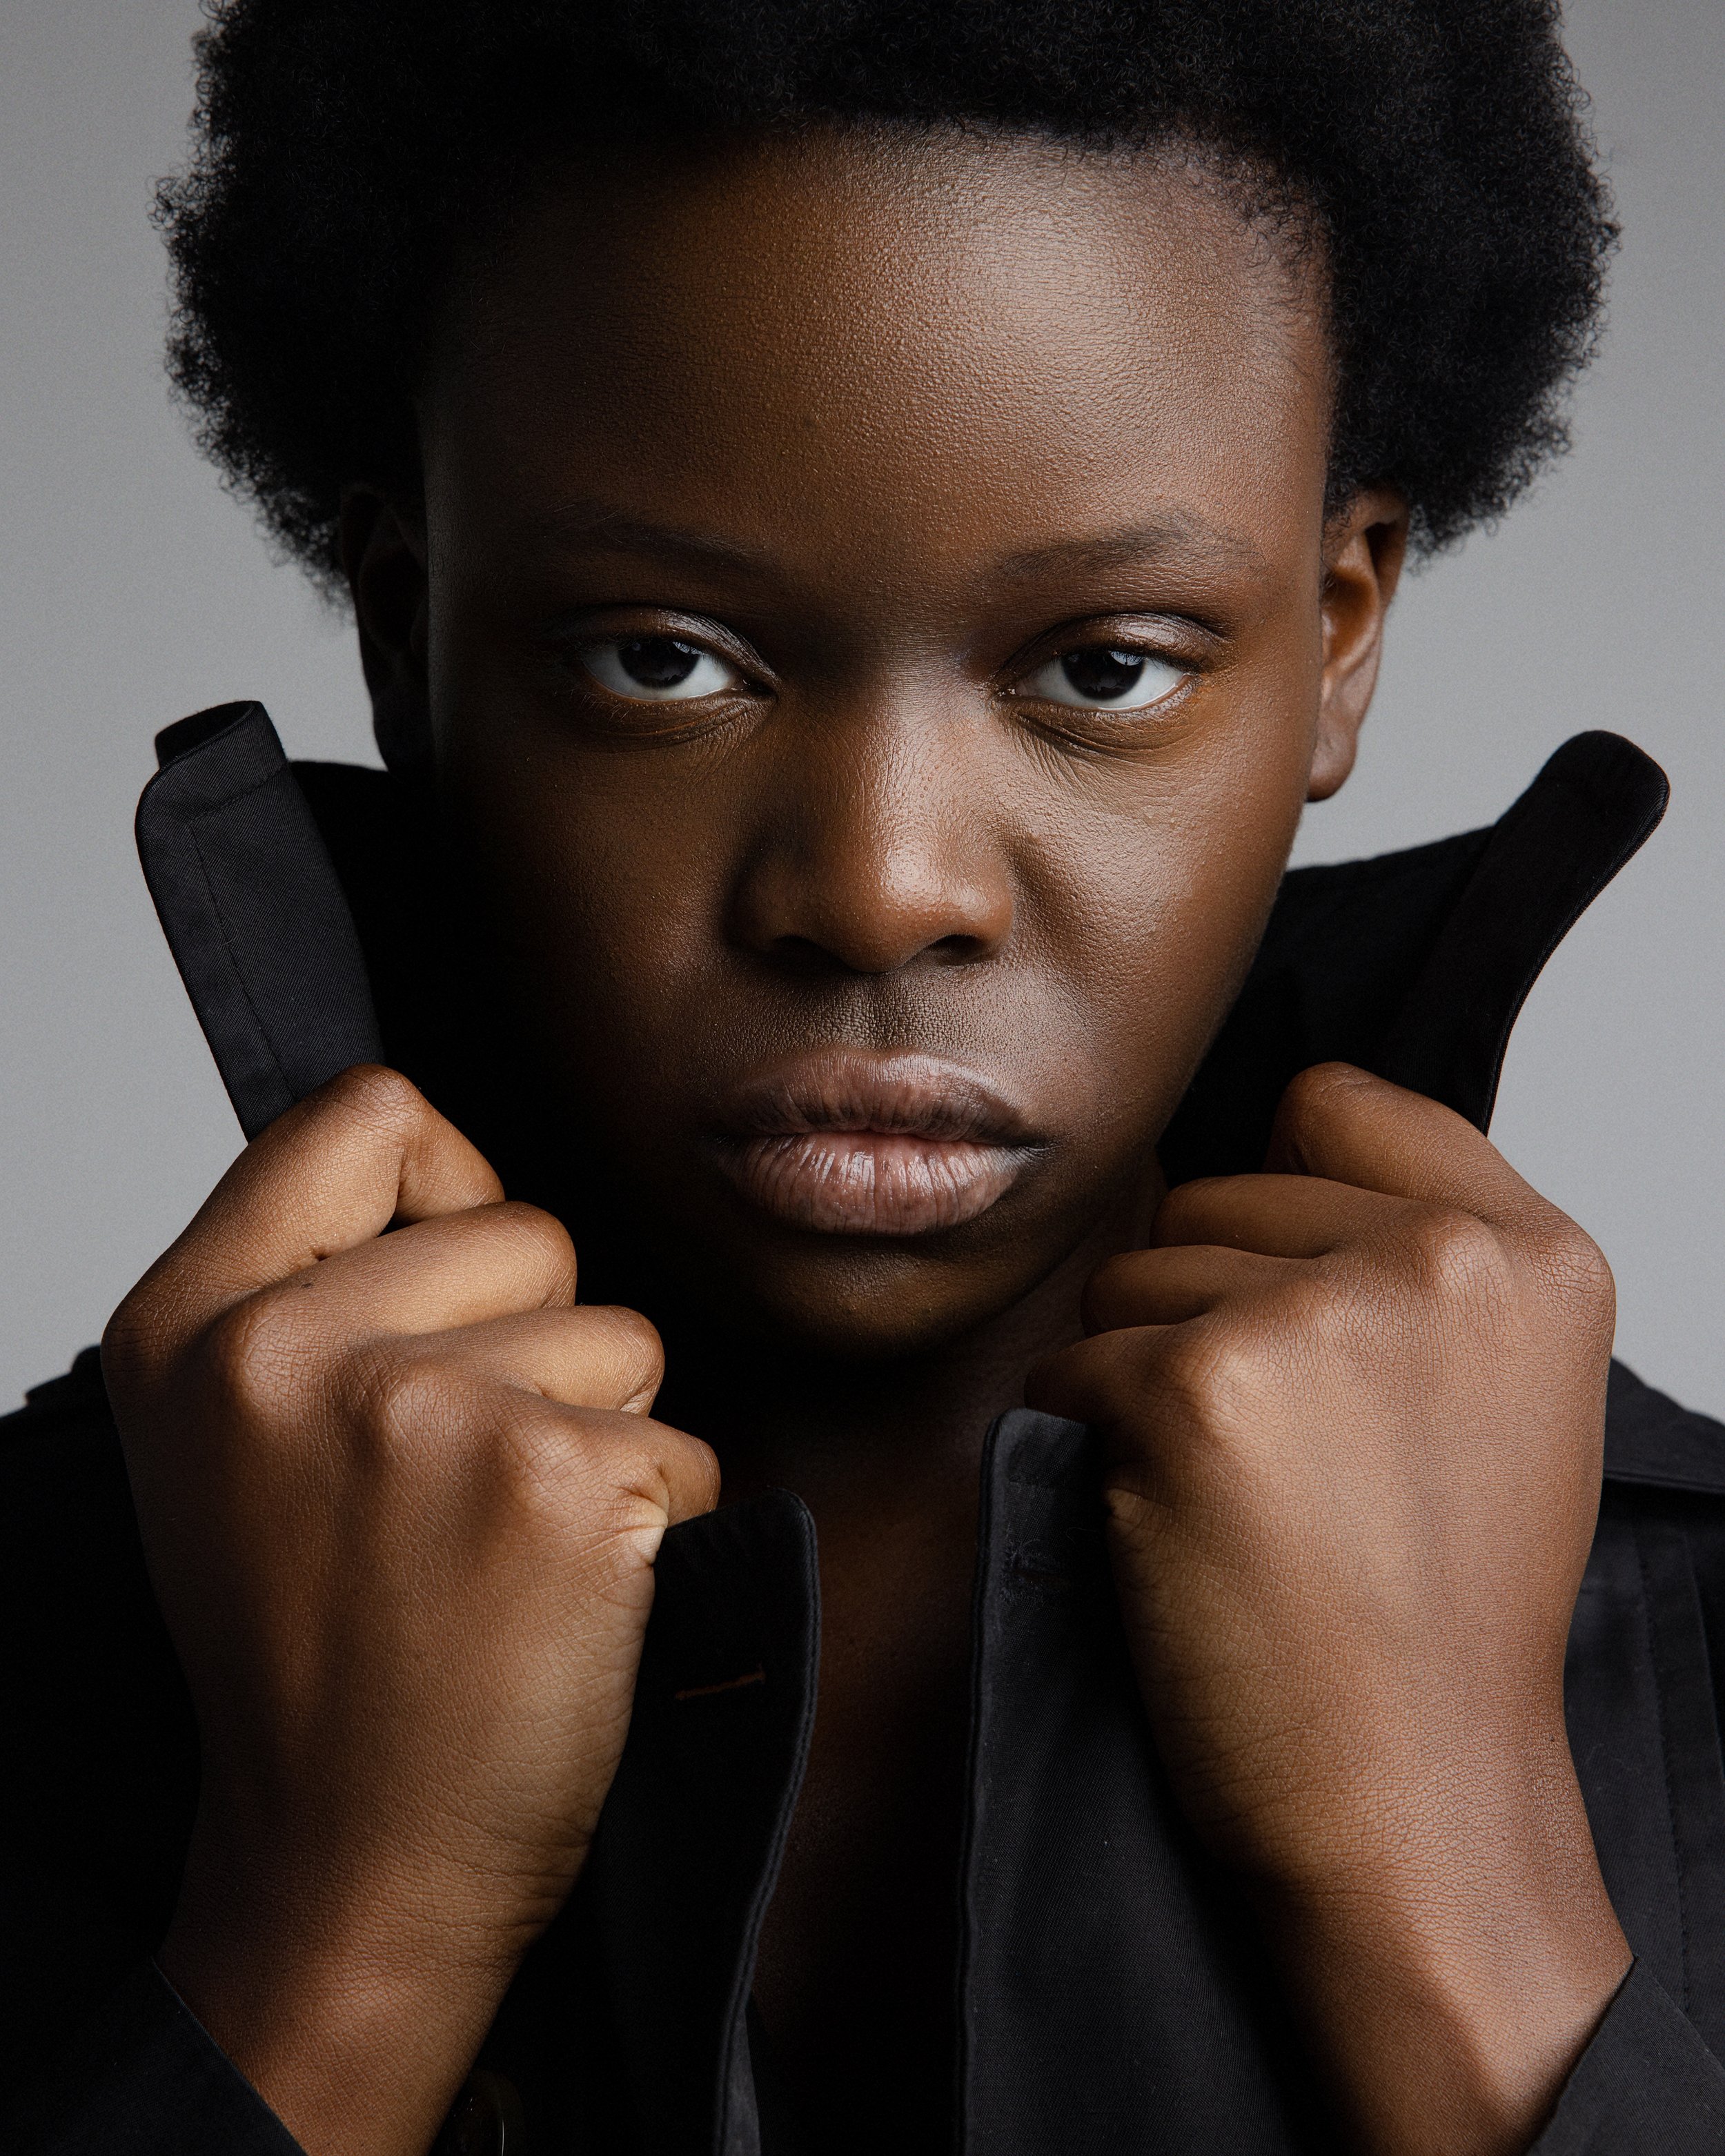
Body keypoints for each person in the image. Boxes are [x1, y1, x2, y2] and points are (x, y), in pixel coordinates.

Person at [6, 1, 1724, 2150]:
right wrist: (336, 1951)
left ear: (1338, 630)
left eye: (1102, 668)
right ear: (407, 634)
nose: (882, 890)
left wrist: (1464, 1908)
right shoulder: (37, 1627)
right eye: (664, 661)